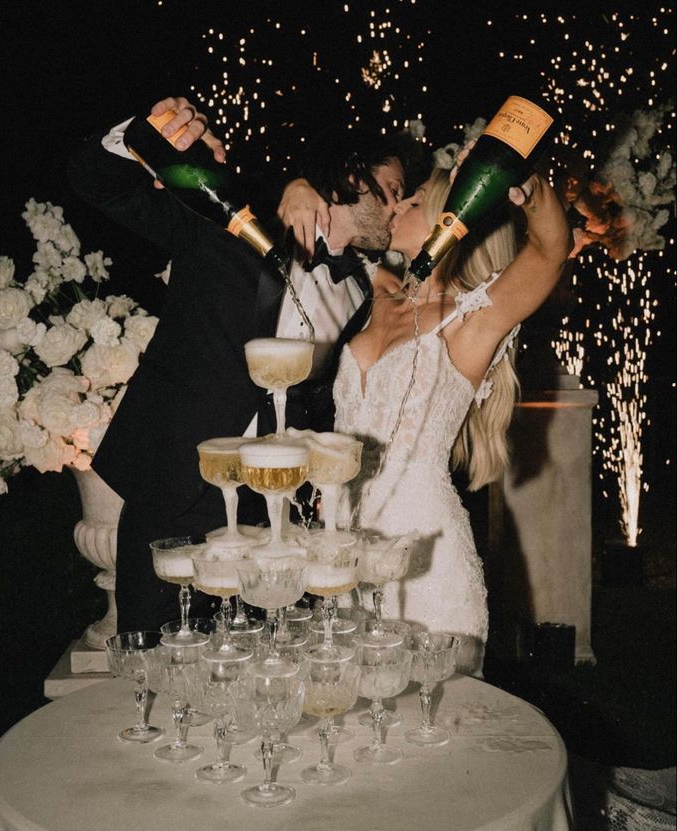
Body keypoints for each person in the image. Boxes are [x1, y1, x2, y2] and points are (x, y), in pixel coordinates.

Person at [68, 96, 425, 632]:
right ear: (353, 177)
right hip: (178, 489)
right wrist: (141, 134)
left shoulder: (357, 290)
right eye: (394, 191)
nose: (399, 207)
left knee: (258, 674)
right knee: (149, 650)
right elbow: (100, 184)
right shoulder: (229, 219)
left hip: (272, 515)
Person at [326, 165, 572, 676]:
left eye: (412, 201)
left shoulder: (472, 318)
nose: (394, 206)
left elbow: (550, 250)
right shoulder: (377, 289)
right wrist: (301, 188)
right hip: (341, 555)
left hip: (426, 562)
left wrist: (526, 187)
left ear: (449, 217)